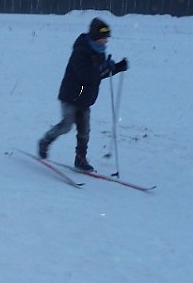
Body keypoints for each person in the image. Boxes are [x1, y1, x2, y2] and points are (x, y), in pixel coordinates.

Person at [38, 17, 129, 172]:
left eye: (106, 38)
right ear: (94, 37)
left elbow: (99, 74)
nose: (105, 41)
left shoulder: (99, 52)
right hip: (71, 95)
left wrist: (117, 67)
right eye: (102, 38)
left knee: (84, 130)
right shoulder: (80, 50)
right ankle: (46, 141)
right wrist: (103, 68)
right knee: (67, 125)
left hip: (86, 98)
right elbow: (86, 75)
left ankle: (80, 158)